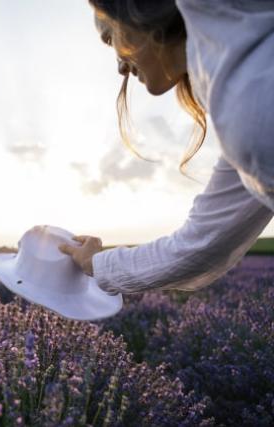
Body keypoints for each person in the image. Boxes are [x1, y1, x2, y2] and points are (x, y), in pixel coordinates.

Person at [58, 0, 274, 295]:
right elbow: (201, 244)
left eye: (111, 39)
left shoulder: (248, 105)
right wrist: (97, 263)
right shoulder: (241, 90)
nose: (120, 66)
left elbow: (201, 245)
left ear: (140, 13)